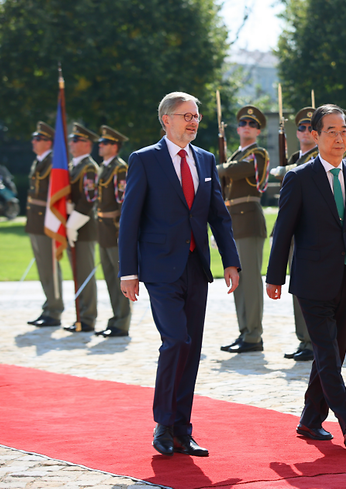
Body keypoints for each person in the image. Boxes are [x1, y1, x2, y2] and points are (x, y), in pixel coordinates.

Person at [118, 92, 241, 457]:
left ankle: (181, 431)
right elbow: (130, 221)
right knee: (177, 341)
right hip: (159, 268)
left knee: (192, 347)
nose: (193, 121)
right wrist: (129, 271)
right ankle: (163, 424)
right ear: (165, 119)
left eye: (197, 116)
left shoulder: (205, 159)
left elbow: (218, 215)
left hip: (195, 267)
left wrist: (231, 262)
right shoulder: (143, 160)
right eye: (186, 115)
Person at [266, 104, 346, 449]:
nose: (339, 137)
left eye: (344, 131)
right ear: (316, 135)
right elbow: (284, 231)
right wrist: (274, 277)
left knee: (333, 351)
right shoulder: (298, 177)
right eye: (331, 131)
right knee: (326, 352)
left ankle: (309, 420)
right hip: (311, 279)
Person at [218, 105, 269, 354]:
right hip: (232, 222)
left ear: (258, 131)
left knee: (249, 281)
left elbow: (234, 171)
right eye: (243, 124)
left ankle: (254, 335)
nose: (246, 128)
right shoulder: (235, 156)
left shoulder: (258, 154)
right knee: (237, 279)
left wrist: (220, 167)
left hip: (248, 220)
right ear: (237, 129)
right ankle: (244, 332)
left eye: (252, 125)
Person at [271, 107, 319, 362]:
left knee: (310, 285)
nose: (303, 133)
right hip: (292, 225)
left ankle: (314, 339)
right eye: (299, 128)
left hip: (309, 228)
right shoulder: (293, 157)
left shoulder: (315, 159)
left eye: (307, 128)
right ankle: (304, 338)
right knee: (297, 285)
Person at [26, 122, 64, 327]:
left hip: (47, 221)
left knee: (50, 267)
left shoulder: (53, 162)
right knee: (42, 268)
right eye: (34, 138)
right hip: (36, 221)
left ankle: (54, 310)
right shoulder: (39, 161)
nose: (34, 142)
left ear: (49, 142)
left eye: (38, 139)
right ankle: (49, 306)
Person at [95, 126, 131, 338]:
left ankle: (122, 322)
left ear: (115, 146)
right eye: (100, 142)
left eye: (105, 143)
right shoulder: (103, 168)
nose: (101, 145)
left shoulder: (119, 169)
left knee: (121, 279)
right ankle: (115, 318)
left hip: (115, 230)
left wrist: (123, 231)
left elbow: (123, 202)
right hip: (103, 230)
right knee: (109, 278)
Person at [63, 123, 99, 333]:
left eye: (75, 140)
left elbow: (88, 200)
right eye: (71, 140)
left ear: (87, 145)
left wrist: (73, 223)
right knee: (77, 272)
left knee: (85, 273)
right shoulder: (72, 166)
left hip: (82, 227)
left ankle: (87, 318)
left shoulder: (89, 167)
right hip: (71, 225)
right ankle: (80, 316)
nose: (71, 143)